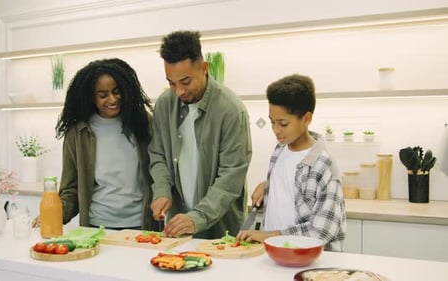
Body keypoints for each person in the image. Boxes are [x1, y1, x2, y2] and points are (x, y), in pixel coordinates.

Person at [148, 30, 252, 239]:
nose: (179, 91)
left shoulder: (231, 110)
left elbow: (231, 176)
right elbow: (157, 154)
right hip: (177, 229)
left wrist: (197, 217)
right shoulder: (164, 104)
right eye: (171, 83)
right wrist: (161, 190)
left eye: (185, 82)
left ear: (204, 68)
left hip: (221, 232)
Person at [38, 58, 159, 231]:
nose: (112, 99)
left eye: (117, 92)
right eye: (103, 95)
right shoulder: (78, 133)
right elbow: (71, 188)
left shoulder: (144, 123)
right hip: (96, 226)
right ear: (91, 97)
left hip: (142, 225)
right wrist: (54, 216)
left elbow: (160, 171)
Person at [236, 74, 346, 251]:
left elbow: (322, 232)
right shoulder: (280, 150)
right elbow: (291, 185)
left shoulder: (324, 166)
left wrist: (270, 236)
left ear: (306, 118)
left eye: (283, 123)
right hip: (273, 255)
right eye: (272, 122)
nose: (276, 130)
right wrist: (269, 187)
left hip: (308, 262)